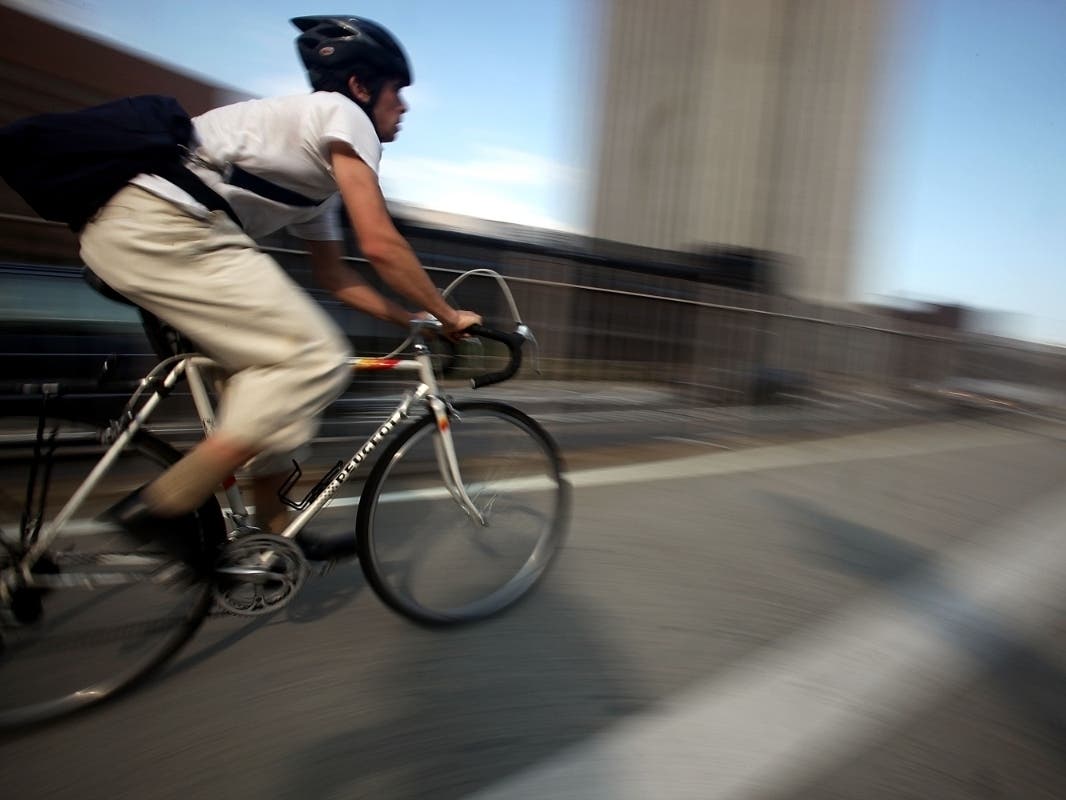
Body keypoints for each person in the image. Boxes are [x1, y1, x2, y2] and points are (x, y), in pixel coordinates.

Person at [83, 15, 481, 554]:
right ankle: (161, 509)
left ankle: (270, 529)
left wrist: (414, 320)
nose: (404, 106)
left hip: (145, 231)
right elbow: (381, 244)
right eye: (397, 92)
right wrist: (451, 314)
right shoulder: (343, 114)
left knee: (267, 386)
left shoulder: (314, 178)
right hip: (165, 227)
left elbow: (336, 277)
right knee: (312, 359)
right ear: (362, 87)